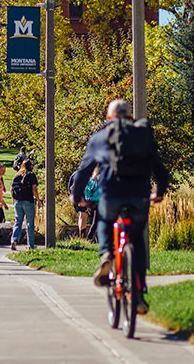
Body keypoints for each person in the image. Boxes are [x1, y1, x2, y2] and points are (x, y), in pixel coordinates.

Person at [71, 99, 168, 315]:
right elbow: (160, 169)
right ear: (129, 115)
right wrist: (159, 192)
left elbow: (83, 173)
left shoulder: (99, 138)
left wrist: (78, 197)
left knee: (105, 220)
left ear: (109, 118)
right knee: (138, 240)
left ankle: (106, 255)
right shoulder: (141, 135)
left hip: (111, 195)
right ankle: (140, 294)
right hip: (139, 196)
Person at [10, 159, 40, 251]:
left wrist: (13, 200)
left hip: (18, 201)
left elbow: (11, 188)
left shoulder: (17, 175)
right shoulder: (31, 175)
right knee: (30, 223)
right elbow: (34, 189)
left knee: (18, 221)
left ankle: (14, 239)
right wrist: (38, 200)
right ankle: (30, 245)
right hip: (28, 201)